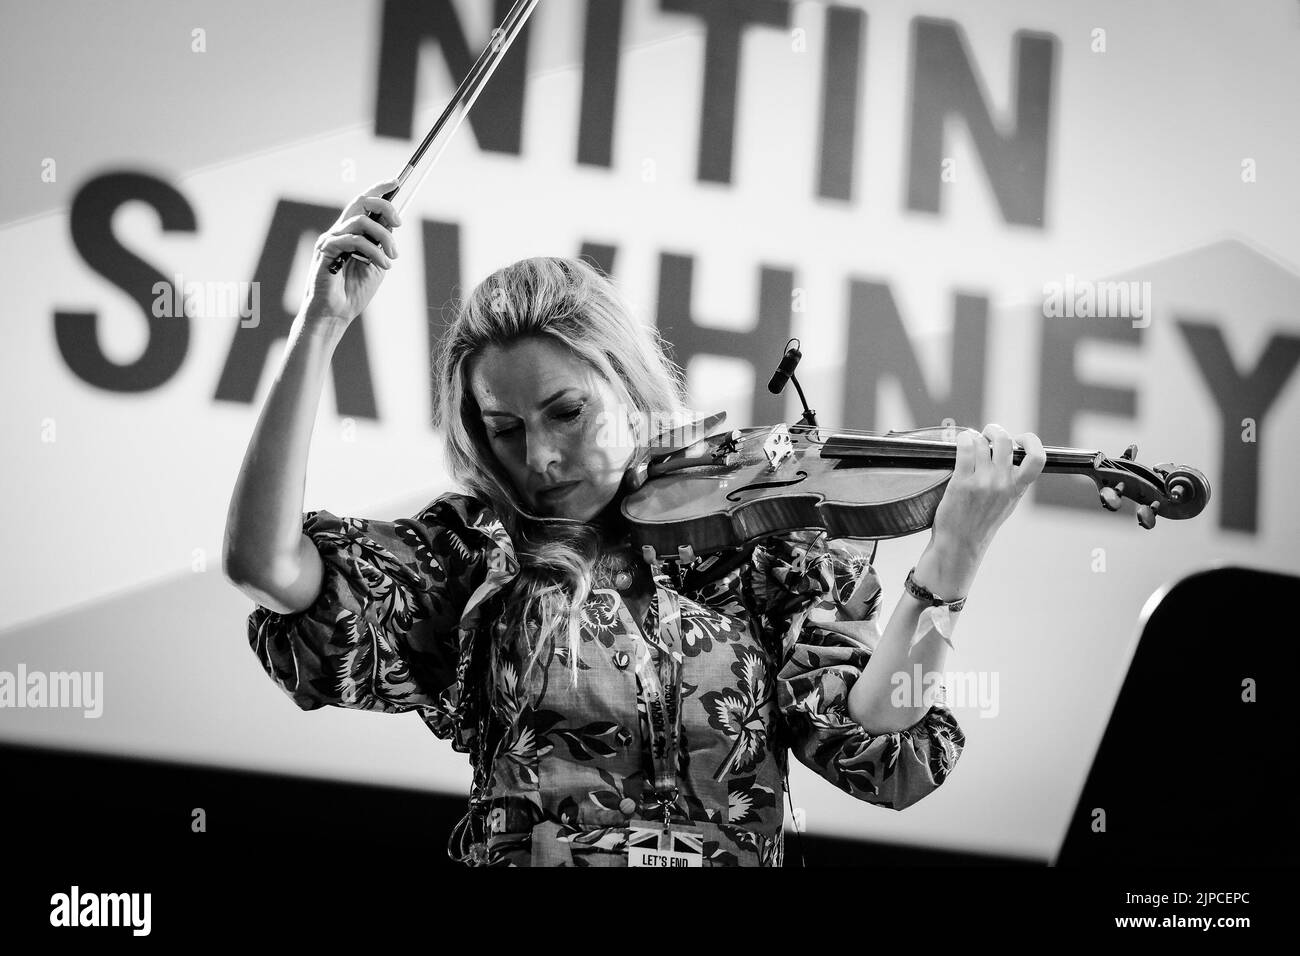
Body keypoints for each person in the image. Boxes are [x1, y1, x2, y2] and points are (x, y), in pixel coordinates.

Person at [224, 180, 1047, 867]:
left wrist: (954, 557)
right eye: (505, 430)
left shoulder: (750, 546)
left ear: (626, 383)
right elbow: (264, 562)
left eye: (568, 412)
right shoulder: (474, 555)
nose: (541, 458)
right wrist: (318, 326)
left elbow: (877, 742)